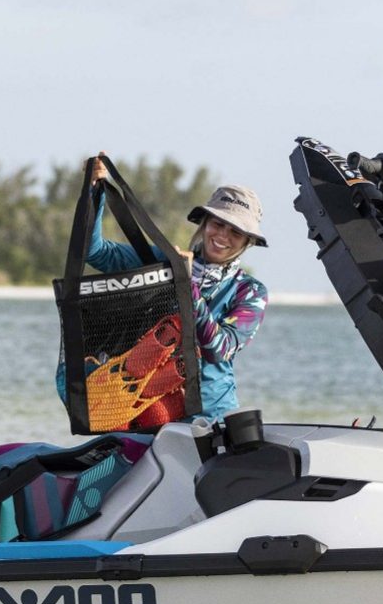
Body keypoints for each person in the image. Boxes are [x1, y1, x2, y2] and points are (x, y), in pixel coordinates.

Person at [65, 153, 269, 421]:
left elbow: (218, 349)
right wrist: (94, 191)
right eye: (218, 224)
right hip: (147, 408)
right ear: (205, 223)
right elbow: (94, 252)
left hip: (209, 416)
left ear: (246, 242)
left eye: (236, 232)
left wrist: (187, 285)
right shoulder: (161, 261)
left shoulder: (250, 292)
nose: (223, 236)